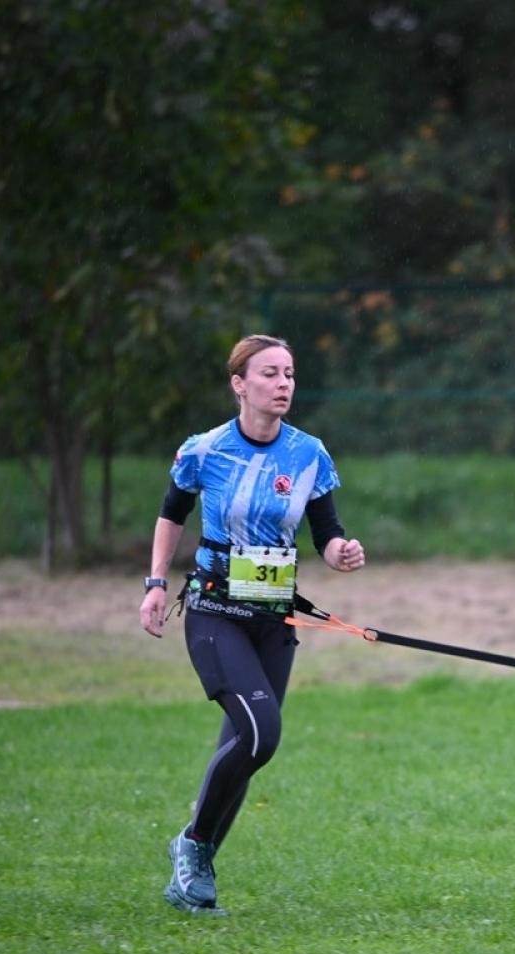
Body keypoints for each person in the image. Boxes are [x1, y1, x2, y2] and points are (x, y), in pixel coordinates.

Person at [139, 334, 365, 914]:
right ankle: (192, 845)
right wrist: (155, 583)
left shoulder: (309, 453)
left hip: (274, 619)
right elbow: (171, 513)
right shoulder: (205, 450)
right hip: (216, 613)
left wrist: (340, 552)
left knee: (246, 746)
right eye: (269, 373)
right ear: (239, 384)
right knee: (261, 733)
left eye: (289, 373)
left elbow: (326, 530)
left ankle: (192, 875)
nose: (283, 383)